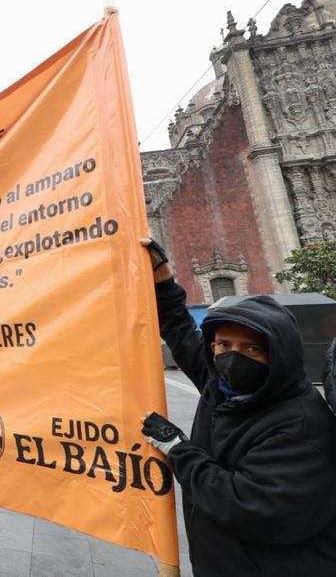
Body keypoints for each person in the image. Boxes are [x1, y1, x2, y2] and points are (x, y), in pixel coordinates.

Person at [140, 238, 336, 574]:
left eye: (251, 349)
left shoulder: (301, 423)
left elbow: (245, 506)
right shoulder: (219, 385)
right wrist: (162, 279)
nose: (233, 357)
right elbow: (180, 329)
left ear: (277, 353)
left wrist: (179, 450)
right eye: (224, 345)